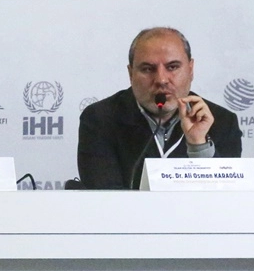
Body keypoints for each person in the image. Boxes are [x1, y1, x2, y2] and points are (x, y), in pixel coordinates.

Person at [77, 26, 242, 189]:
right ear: (131, 73)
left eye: (172, 67)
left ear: (191, 69)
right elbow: (104, 196)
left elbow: (226, 197)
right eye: (148, 69)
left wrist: (199, 145)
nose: (161, 80)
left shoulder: (222, 122)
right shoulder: (100, 119)